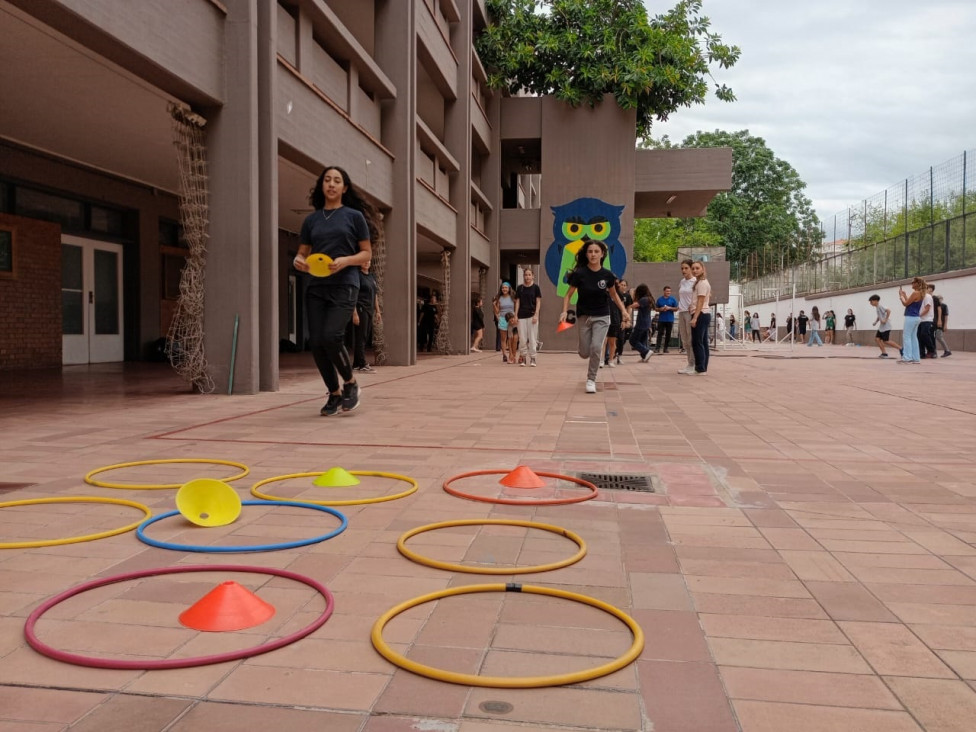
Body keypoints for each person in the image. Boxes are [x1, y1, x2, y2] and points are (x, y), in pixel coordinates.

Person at [294, 166, 373, 416]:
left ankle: (350, 383)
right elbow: (302, 252)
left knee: (331, 336)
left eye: (337, 180)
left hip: (345, 283)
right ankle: (334, 394)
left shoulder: (354, 217)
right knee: (316, 342)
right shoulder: (311, 220)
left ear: (344, 187)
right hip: (317, 286)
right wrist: (298, 260)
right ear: (321, 186)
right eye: (327, 180)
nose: (331, 184)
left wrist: (346, 261)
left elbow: (366, 253)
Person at [560, 238, 630, 394]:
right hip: (584, 316)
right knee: (585, 352)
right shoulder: (580, 274)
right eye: (590, 251)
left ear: (602, 254)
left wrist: (624, 311)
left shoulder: (607, 275)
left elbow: (614, 295)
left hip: (602, 315)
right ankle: (583, 346)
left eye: (596, 251)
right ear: (586, 254)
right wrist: (564, 311)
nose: (593, 254)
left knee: (597, 347)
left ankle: (591, 379)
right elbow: (568, 295)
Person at [347, 260, 380, 372]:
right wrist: (354, 313)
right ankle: (362, 364)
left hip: (370, 310)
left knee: (364, 336)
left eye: (368, 261)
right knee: (361, 337)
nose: (366, 263)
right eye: (364, 261)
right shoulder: (357, 276)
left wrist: (378, 311)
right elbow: (353, 295)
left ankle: (356, 364)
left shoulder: (372, 277)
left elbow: (375, 295)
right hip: (361, 308)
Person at [684, 260, 712, 374]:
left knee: (697, 342)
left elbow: (700, 301)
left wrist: (695, 317)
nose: (695, 270)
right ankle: (702, 368)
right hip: (703, 314)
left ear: (703, 269)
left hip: (700, 314)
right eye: (693, 268)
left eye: (697, 268)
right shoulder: (700, 283)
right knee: (703, 342)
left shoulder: (702, 283)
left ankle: (700, 368)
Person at [515, 268, 542, 367]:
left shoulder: (536, 288)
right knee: (522, 338)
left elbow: (538, 302)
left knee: (532, 338)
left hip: (532, 316)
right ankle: (523, 357)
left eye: (529, 275)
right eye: (526, 275)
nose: (527, 277)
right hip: (521, 316)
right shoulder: (520, 288)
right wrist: (515, 315)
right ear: (524, 276)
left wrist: (536, 314)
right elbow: (517, 302)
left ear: (533, 276)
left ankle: (533, 358)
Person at [898, 277, 925, 364]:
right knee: (913, 337)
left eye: (913, 282)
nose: (912, 284)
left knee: (906, 337)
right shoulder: (920, 293)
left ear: (917, 283)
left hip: (910, 317)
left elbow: (906, 304)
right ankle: (916, 358)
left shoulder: (915, 293)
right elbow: (910, 303)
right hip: (916, 317)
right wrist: (905, 295)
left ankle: (907, 357)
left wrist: (901, 297)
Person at [676, 259, 697, 370]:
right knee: (684, 339)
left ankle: (693, 363)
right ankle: (689, 363)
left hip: (690, 312)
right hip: (681, 311)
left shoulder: (695, 281)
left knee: (691, 339)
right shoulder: (682, 281)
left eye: (686, 268)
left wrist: (693, 306)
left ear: (690, 268)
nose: (683, 270)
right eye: (682, 268)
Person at [628, 284, 655, 363]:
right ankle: (644, 357)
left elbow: (632, 305)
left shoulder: (644, 299)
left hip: (641, 323)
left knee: (633, 340)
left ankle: (646, 352)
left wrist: (632, 294)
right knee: (642, 341)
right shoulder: (649, 299)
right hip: (646, 323)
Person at [869, 294, 901, 358]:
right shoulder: (877, 307)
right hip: (882, 327)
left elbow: (888, 311)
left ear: (876, 301)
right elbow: (879, 316)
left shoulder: (880, 306)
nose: (870, 303)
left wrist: (885, 320)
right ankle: (884, 353)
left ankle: (901, 349)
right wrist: (875, 322)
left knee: (886, 341)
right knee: (877, 339)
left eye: (871, 301)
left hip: (886, 327)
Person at [494, 282, 516, 362]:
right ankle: (504, 355)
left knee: (512, 337)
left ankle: (512, 353)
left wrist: (516, 317)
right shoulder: (499, 298)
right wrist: (498, 317)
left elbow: (516, 307)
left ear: (509, 288)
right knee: (503, 338)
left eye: (506, 287)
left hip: (512, 320)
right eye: (503, 288)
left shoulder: (513, 297)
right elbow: (496, 311)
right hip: (503, 319)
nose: (504, 289)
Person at [615, 279, 634, 364]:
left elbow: (629, 307)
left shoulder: (627, 296)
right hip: (614, 318)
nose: (623, 286)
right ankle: (608, 355)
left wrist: (627, 318)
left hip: (623, 319)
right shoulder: (614, 294)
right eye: (621, 284)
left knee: (621, 338)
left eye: (624, 285)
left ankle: (619, 355)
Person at [654, 286, 678, 353]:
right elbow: (655, 308)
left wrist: (669, 308)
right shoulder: (659, 299)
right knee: (660, 334)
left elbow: (676, 308)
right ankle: (657, 348)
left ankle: (666, 348)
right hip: (661, 319)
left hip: (670, 319)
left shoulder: (673, 299)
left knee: (668, 334)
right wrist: (660, 309)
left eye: (669, 291)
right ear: (664, 291)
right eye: (667, 291)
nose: (668, 292)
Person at [931, 288, 951, 357]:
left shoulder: (944, 306)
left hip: (940, 324)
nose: (939, 300)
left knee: (939, 337)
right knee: (934, 337)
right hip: (934, 322)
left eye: (940, 298)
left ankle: (947, 350)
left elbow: (946, 316)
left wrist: (945, 325)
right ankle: (934, 351)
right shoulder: (934, 306)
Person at [919, 286, 936, 359]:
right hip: (920, 320)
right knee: (919, 337)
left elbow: (927, 308)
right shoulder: (920, 297)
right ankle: (921, 353)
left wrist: (918, 315)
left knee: (924, 334)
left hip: (927, 319)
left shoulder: (928, 296)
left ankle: (932, 350)